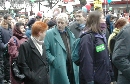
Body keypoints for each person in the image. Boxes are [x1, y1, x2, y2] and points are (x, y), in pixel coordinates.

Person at [79, 11, 113, 84]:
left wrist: (111, 75)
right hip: (95, 80)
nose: (105, 20)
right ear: (95, 20)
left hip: (104, 78)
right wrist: (89, 80)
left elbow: (106, 57)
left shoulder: (101, 36)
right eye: (103, 18)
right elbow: (86, 61)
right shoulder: (87, 38)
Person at [44, 13, 79, 84]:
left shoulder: (70, 33)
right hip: (59, 67)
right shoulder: (49, 33)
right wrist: (53, 61)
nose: (59, 25)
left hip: (71, 66)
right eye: (58, 22)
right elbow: (45, 50)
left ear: (66, 23)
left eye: (62, 23)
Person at [0, 14, 13, 84]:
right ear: (5, 19)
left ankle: (8, 78)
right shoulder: (1, 28)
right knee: (3, 65)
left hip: (9, 50)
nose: (10, 21)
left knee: (8, 65)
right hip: (2, 50)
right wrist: (4, 46)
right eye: (9, 19)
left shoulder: (10, 29)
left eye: (11, 19)